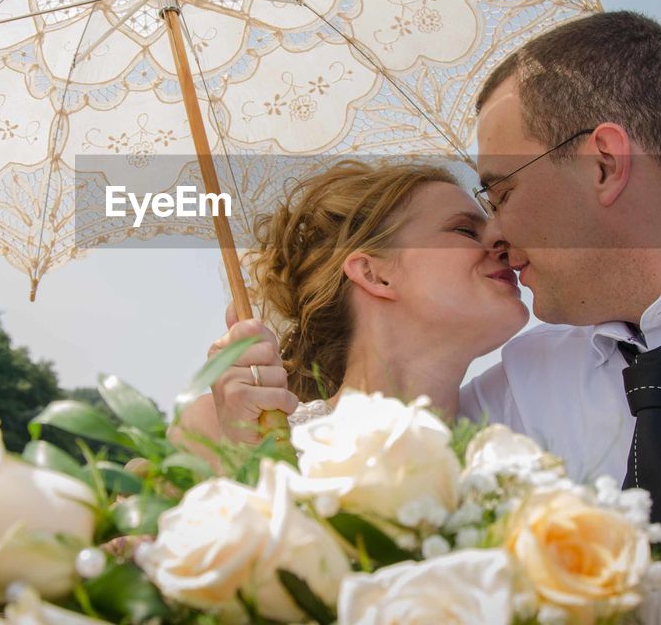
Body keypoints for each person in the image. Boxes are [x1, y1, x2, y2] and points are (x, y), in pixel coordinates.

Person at [197, 12, 661, 624]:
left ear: (603, 163)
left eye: (498, 193)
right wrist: (235, 455)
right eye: (470, 219)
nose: (496, 237)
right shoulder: (509, 402)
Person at [178, 159, 527, 447]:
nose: (502, 241)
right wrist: (250, 458)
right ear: (373, 274)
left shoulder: (520, 442)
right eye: (465, 231)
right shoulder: (237, 432)